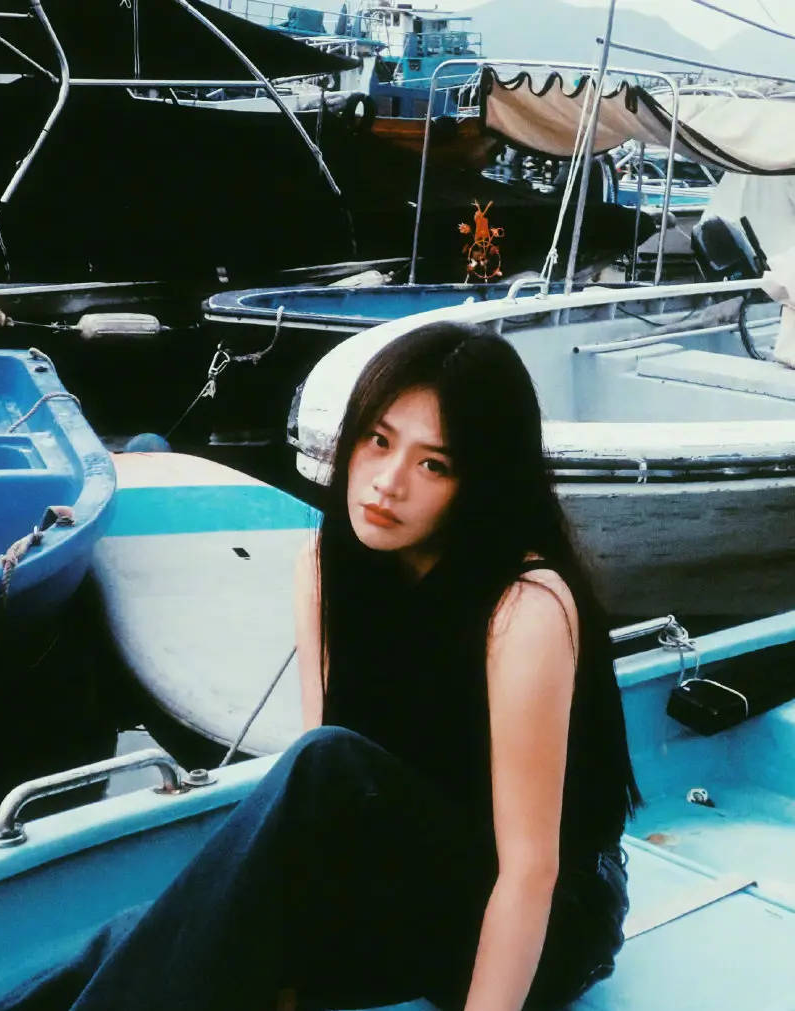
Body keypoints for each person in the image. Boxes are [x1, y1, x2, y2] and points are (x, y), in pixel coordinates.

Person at [60, 322, 640, 1011]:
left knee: (322, 766)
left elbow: (531, 870)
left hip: (553, 922)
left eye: (434, 465)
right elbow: (324, 831)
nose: (387, 484)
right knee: (146, 937)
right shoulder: (324, 566)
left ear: (480, 483)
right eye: (378, 441)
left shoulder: (524, 607)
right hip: (419, 892)